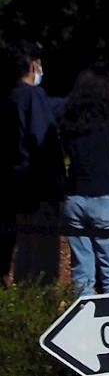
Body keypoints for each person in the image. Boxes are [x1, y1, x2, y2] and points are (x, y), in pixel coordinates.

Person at [61, 66, 109, 295]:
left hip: (75, 198)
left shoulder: (71, 121)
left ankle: (83, 321)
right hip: (106, 199)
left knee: (82, 272)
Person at [1, 40, 64, 285]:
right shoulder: (33, 96)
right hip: (40, 190)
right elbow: (42, 140)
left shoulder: (9, 97)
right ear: (33, 64)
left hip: (16, 188)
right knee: (44, 259)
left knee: (25, 252)